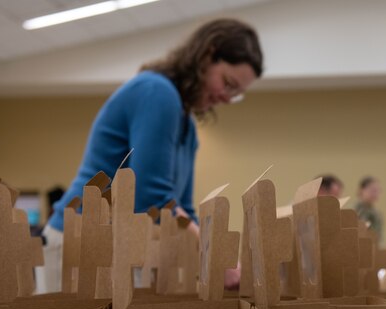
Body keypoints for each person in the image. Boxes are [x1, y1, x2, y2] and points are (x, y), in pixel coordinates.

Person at [38, 19, 264, 294]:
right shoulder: (157, 93)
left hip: (117, 245)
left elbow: (181, 207)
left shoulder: (187, 125)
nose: (228, 98)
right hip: (80, 241)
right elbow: (149, 197)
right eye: (228, 84)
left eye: (237, 94)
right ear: (206, 56)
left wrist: (215, 254)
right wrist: (214, 252)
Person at [355, 176, 383, 242]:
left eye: (377, 191)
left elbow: (378, 237)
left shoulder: (377, 214)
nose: (375, 194)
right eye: (372, 190)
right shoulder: (354, 210)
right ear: (362, 190)